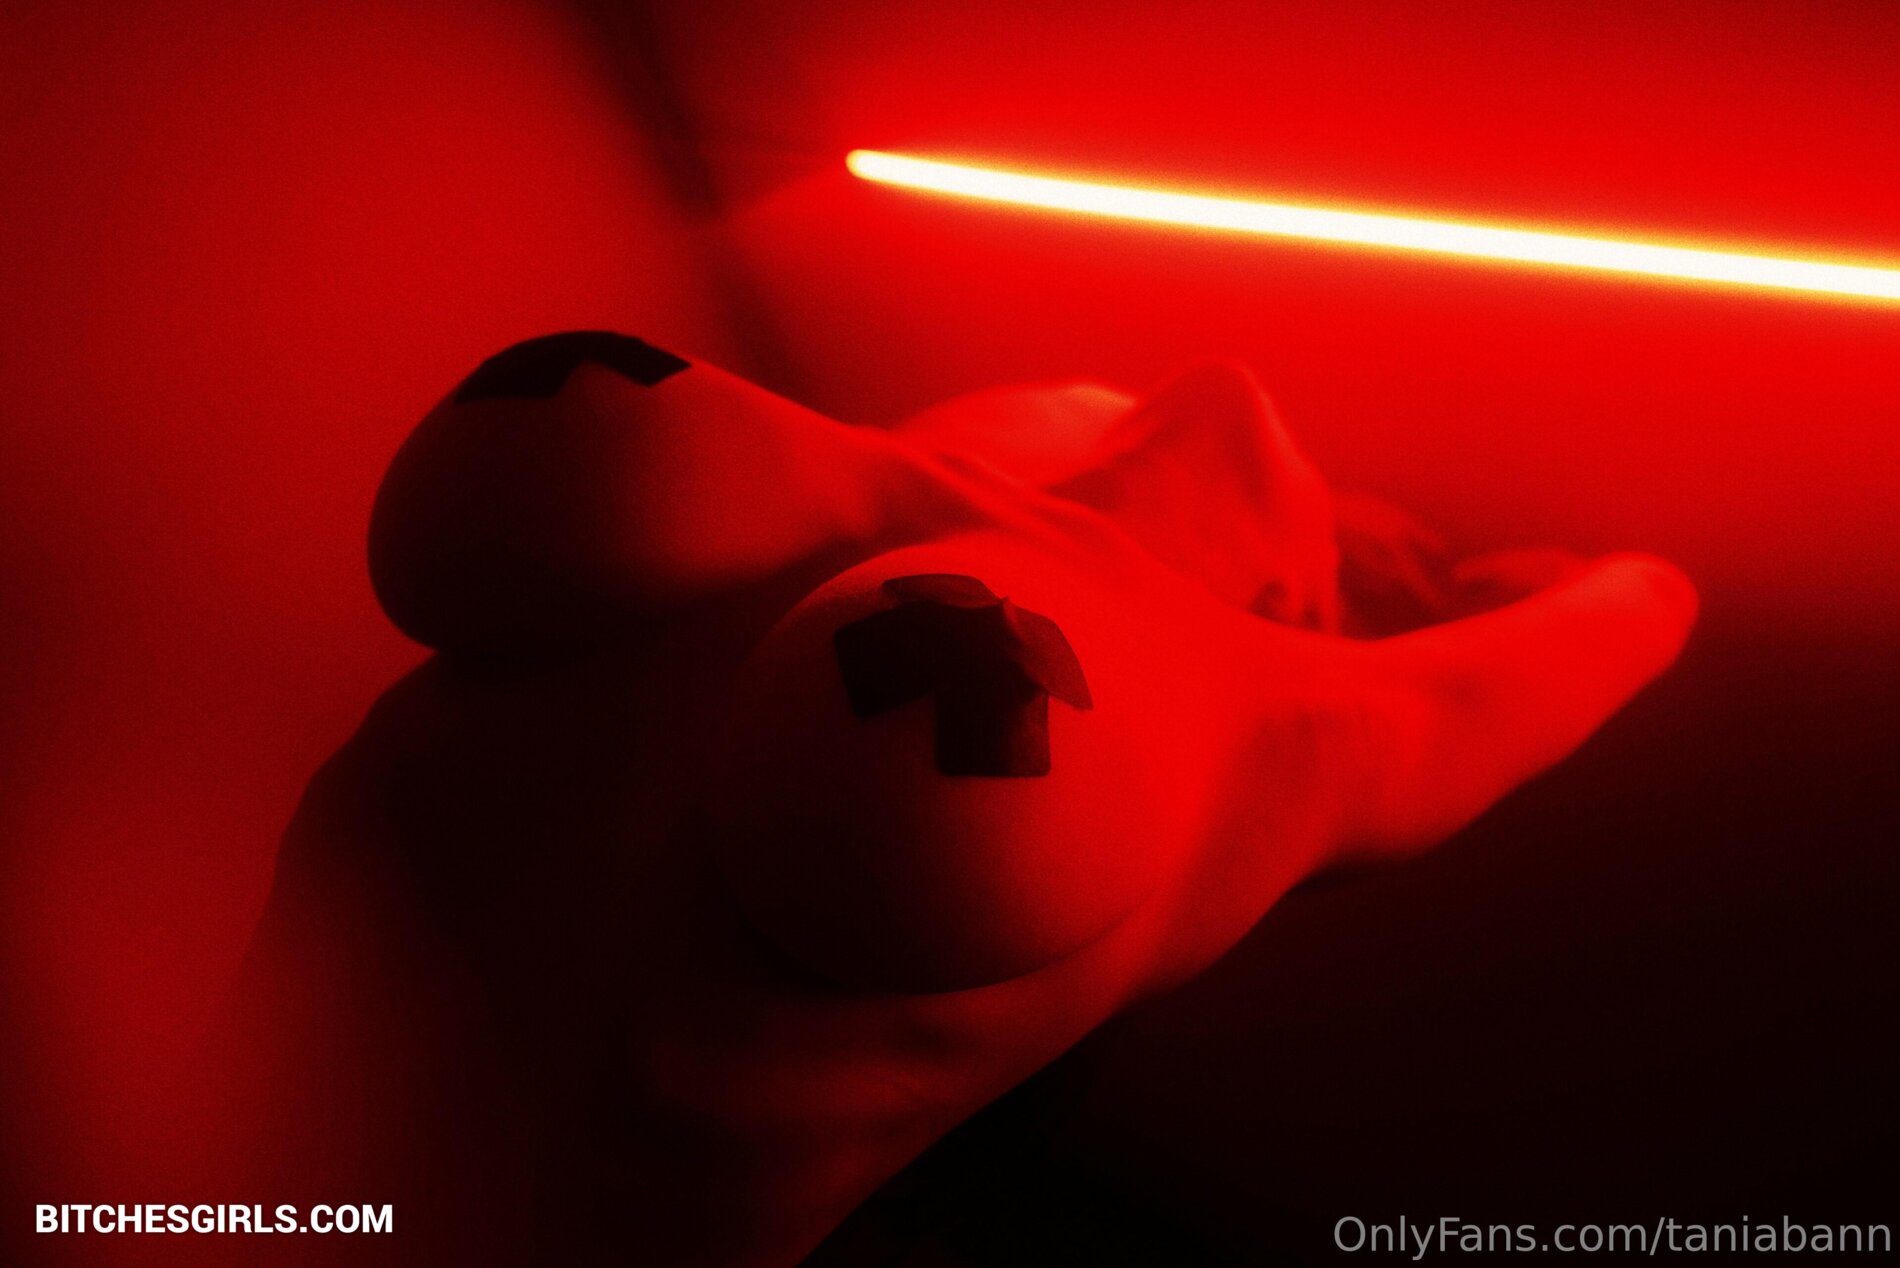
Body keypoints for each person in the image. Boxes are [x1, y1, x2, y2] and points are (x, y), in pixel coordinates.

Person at [204, 333, 1696, 1267]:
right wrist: (1640, 585)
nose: (1208, 399)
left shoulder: (1198, 696)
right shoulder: (1213, 697)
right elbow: (1493, 695)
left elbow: (1477, 695)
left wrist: (1624, 592)